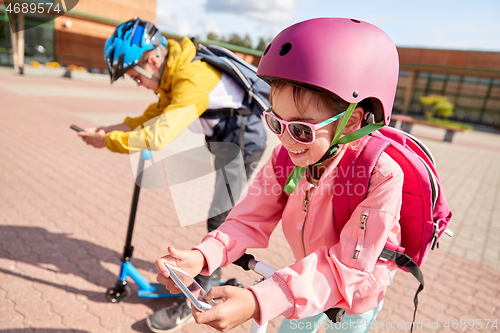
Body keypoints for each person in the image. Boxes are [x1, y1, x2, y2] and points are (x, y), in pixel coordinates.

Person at [154, 17, 403, 333]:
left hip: (355, 300)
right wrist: (204, 256)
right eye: (276, 122)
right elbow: (247, 219)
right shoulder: (287, 158)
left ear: (351, 123)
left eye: (301, 128)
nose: (284, 140)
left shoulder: (380, 176)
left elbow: (345, 270)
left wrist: (259, 301)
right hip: (301, 281)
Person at [76, 17, 267, 333]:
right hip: (226, 140)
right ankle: (213, 274)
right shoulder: (173, 74)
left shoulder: (191, 76)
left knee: (219, 217)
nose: (139, 84)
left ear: (152, 60)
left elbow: (159, 134)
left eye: (136, 78)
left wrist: (109, 142)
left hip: (243, 142)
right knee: (218, 212)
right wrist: (105, 131)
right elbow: (149, 118)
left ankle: (199, 298)